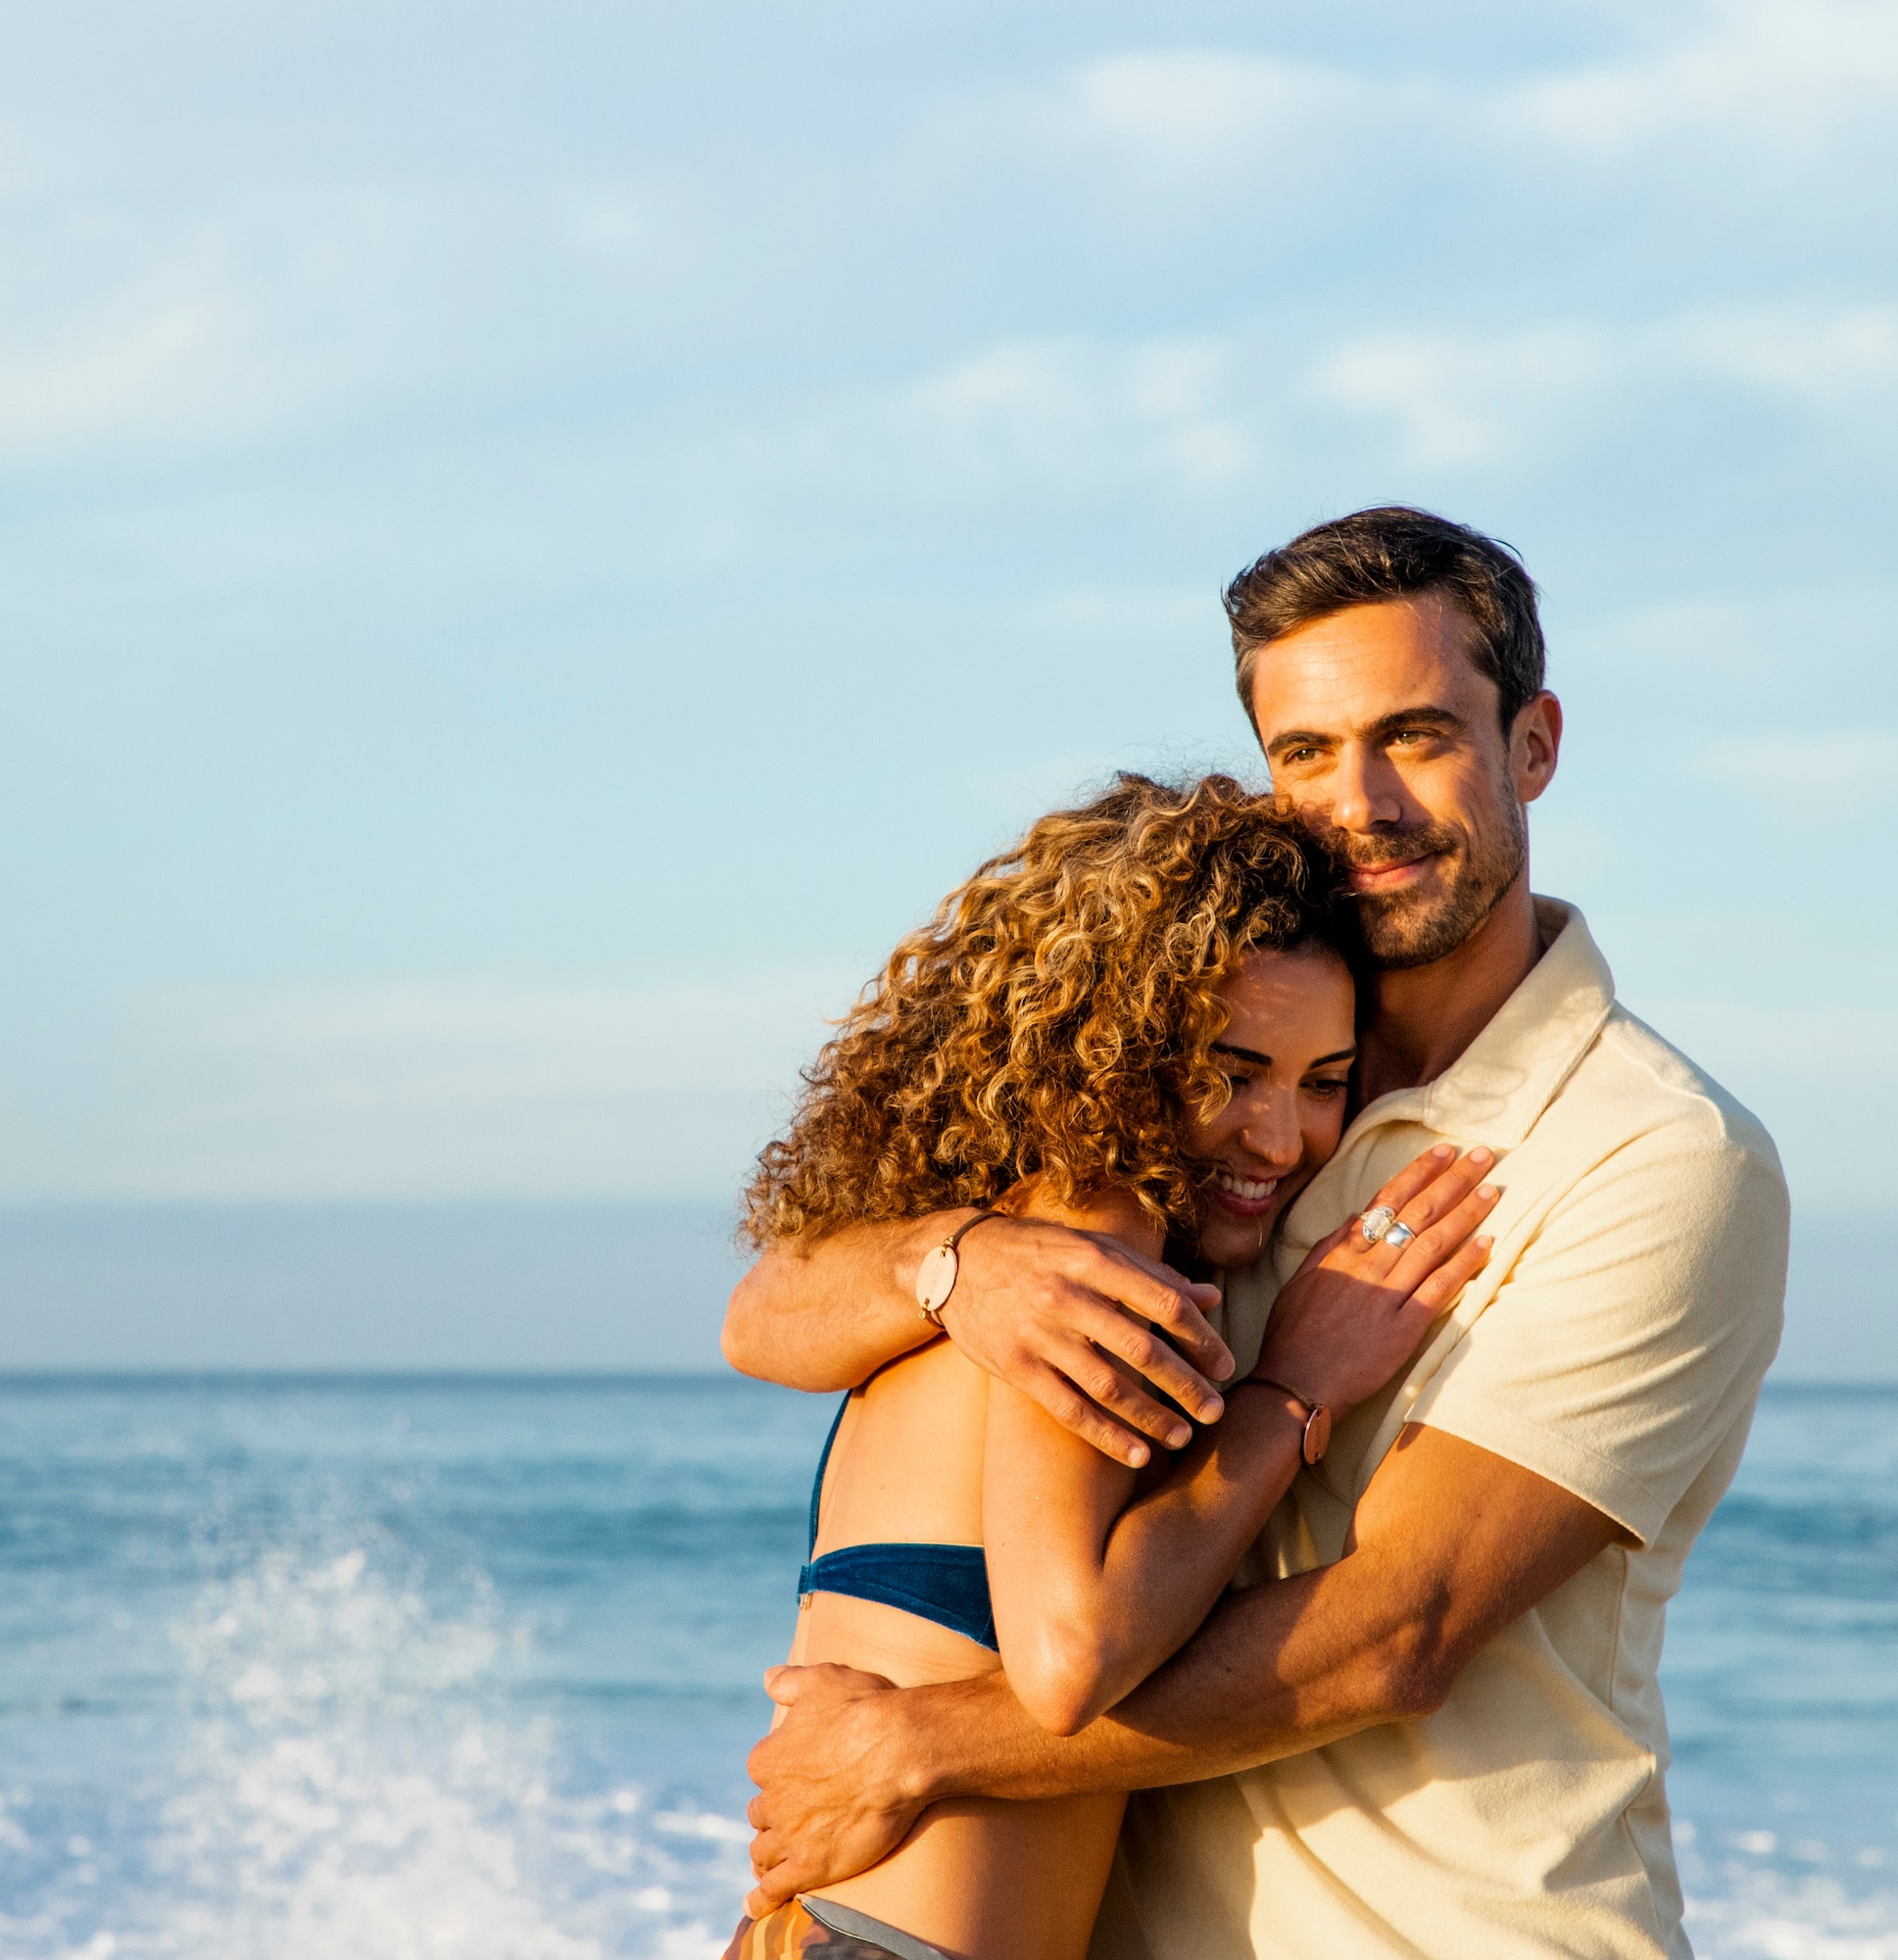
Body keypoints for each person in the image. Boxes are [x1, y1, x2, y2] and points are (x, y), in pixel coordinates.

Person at [725, 507, 1790, 1960]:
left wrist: (924, 1749)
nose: (1360, 801)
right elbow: (769, 1316)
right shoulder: (1215, 1093)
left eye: (1417, 735)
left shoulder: (1655, 1155)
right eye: (1306, 752)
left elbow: (1394, 1632)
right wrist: (958, 1264)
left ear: (1532, 744)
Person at [720, 776, 1500, 1960]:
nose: (1281, 1136)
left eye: (1322, 1080)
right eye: (1231, 1071)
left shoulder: (999, 1230)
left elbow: (755, 1319)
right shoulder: (1091, 1230)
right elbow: (1070, 1651)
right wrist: (1290, 1392)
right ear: (1121, 1051)